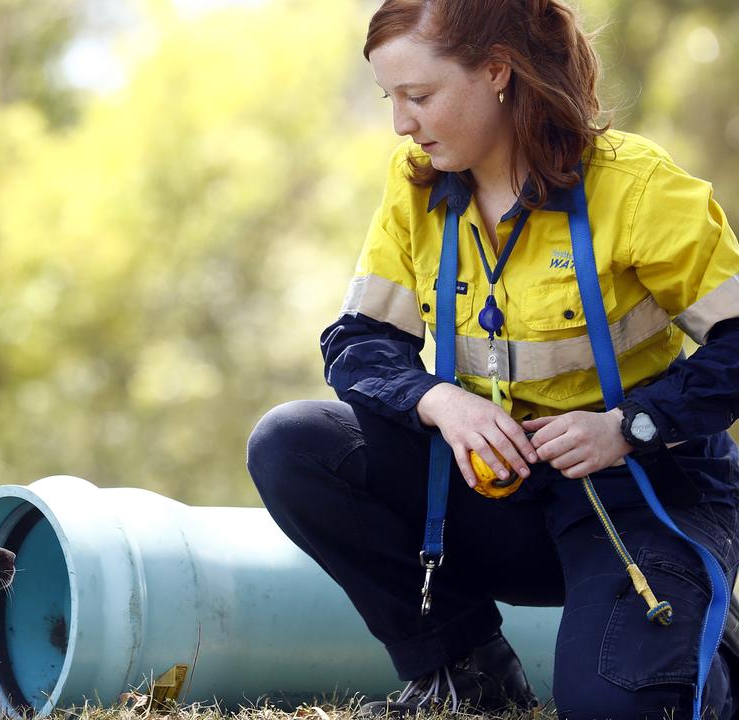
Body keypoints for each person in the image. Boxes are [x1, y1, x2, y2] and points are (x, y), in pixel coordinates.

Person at [246, 0, 739, 718]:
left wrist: (627, 426)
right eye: (391, 99)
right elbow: (357, 342)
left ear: (497, 72)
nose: (401, 124)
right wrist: (442, 402)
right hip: (496, 499)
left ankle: (703, 632)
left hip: (641, 494)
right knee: (293, 445)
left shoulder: (634, 186)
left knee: (616, 708)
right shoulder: (416, 187)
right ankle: (467, 671)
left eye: (419, 96)